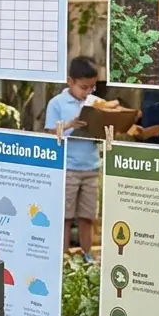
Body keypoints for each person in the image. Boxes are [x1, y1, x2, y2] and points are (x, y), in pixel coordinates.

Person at [44, 55, 103, 258]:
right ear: (70, 81)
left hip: (91, 167)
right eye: (83, 87)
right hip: (67, 167)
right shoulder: (57, 103)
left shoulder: (95, 103)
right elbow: (50, 133)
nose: (88, 92)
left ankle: (87, 255)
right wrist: (70, 124)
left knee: (88, 216)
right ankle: (63, 256)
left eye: (92, 87)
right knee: (65, 216)